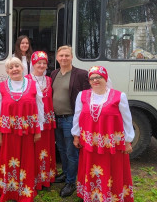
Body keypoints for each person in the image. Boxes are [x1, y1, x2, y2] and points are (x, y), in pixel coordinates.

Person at [71, 66, 135, 202]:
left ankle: (111, 195)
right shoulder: (82, 95)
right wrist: (76, 135)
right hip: (89, 144)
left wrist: (128, 140)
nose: (95, 80)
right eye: (92, 78)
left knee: (111, 169)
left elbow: (127, 120)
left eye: (99, 77)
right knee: (92, 169)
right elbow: (77, 116)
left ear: (105, 78)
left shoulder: (119, 96)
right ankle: (92, 195)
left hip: (111, 145)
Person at [0, 57, 44, 202]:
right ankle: (9, 190)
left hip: (28, 131)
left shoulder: (33, 85)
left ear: (22, 68)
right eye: (11, 68)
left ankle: (25, 189)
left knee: (27, 160)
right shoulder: (2, 87)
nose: (14, 69)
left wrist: (38, 129)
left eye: (17, 66)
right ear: (7, 71)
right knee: (9, 159)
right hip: (8, 132)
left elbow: (40, 108)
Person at [50, 45, 90, 198]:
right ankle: (66, 174)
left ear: (72, 57)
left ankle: (71, 182)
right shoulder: (54, 74)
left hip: (71, 119)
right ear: (57, 58)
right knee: (61, 149)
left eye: (67, 55)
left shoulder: (80, 74)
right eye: (61, 56)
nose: (64, 58)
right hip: (57, 119)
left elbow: (86, 98)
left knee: (71, 152)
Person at [26, 51, 57, 190]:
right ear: (33, 64)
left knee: (46, 148)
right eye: (39, 62)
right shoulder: (26, 80)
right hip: (34, 122)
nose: (42, 65)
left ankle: (46, 177)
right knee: (34, 149)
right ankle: (34, 178)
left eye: (44, 63)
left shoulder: (50, 80)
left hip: (48, 121)